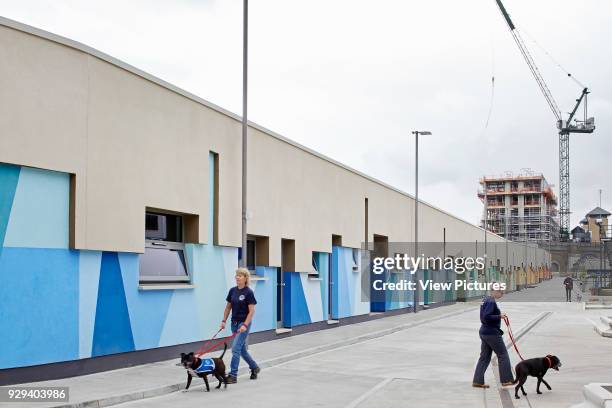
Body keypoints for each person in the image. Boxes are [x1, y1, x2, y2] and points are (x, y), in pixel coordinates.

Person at [221, 267, 260, 383]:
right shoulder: (232, 291)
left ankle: (233, 375)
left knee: (235, 349)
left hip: (243, 325)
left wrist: (245, 325)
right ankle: (254, 367)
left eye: (240, 275)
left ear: (245, 278)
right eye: (237, 275)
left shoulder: (249, 292)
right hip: (234, 323)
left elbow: (252, 311)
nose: (237, 277)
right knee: (242, 350)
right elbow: (228, 307)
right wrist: (223, 321)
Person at [472, 284, 516, 388]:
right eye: (501, 291)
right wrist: (499, 316)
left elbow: (483, 317)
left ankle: (477, 381)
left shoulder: (486, 299)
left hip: (484, 332)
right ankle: (506, 380)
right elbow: (486, 317)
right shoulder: (491, 301)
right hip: (491, 332)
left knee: (485, 357)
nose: (502, 293)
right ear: (494, 291)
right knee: (502, 354)